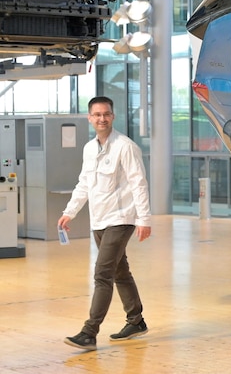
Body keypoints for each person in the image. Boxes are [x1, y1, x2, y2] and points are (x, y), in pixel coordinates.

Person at [59, 96, 152, 351]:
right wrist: (70, 212)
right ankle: (136, 321)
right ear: (90, 118)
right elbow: (84, 184)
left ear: (113, 116)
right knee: (120, 271)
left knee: (102, 274)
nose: (102, 118)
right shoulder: (89, 148)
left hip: (122, 219)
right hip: (99, 220)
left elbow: (139, 184)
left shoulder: (126, 146)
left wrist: (144, 219)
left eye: (106, 114)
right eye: (97, 115)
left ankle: (89, 332)